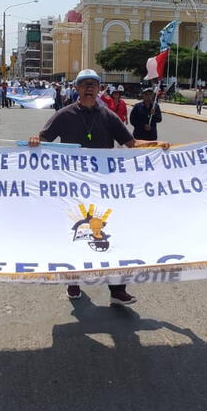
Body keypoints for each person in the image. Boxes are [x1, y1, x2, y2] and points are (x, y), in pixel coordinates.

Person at [28, 69, 170, 306]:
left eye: (94, 84)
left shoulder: (108, 116)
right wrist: (34, 141)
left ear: (99, 88)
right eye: (84, 84)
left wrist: (156, 145)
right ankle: (73, 281)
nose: (89, 88)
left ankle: (117, 289)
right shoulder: (64, 115)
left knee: (112, 234)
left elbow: (131, 143)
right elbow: (42, 139)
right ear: (76, 89)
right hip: (73, 187)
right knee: (77, 234)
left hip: (105, 186)